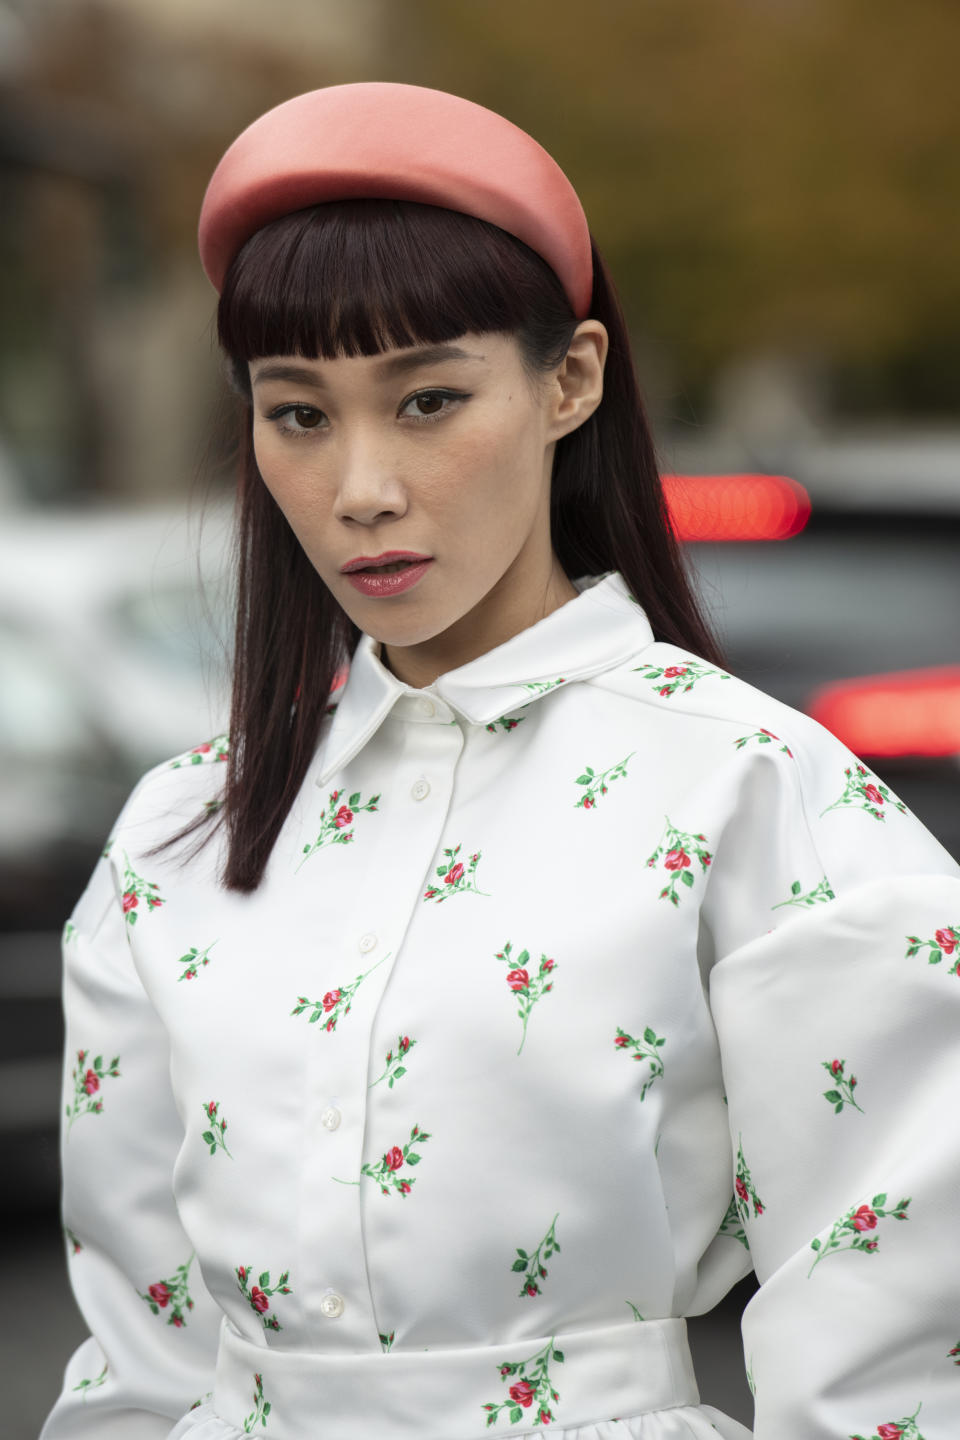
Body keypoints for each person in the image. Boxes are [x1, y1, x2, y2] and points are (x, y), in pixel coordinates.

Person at [41, 82, 960, 1440]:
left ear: (569, 380)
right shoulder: (182, 830)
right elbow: (136, 1354)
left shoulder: (754, 792)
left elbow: (889, 1318)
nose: (361, 487)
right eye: (298, 414)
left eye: (426, 400)